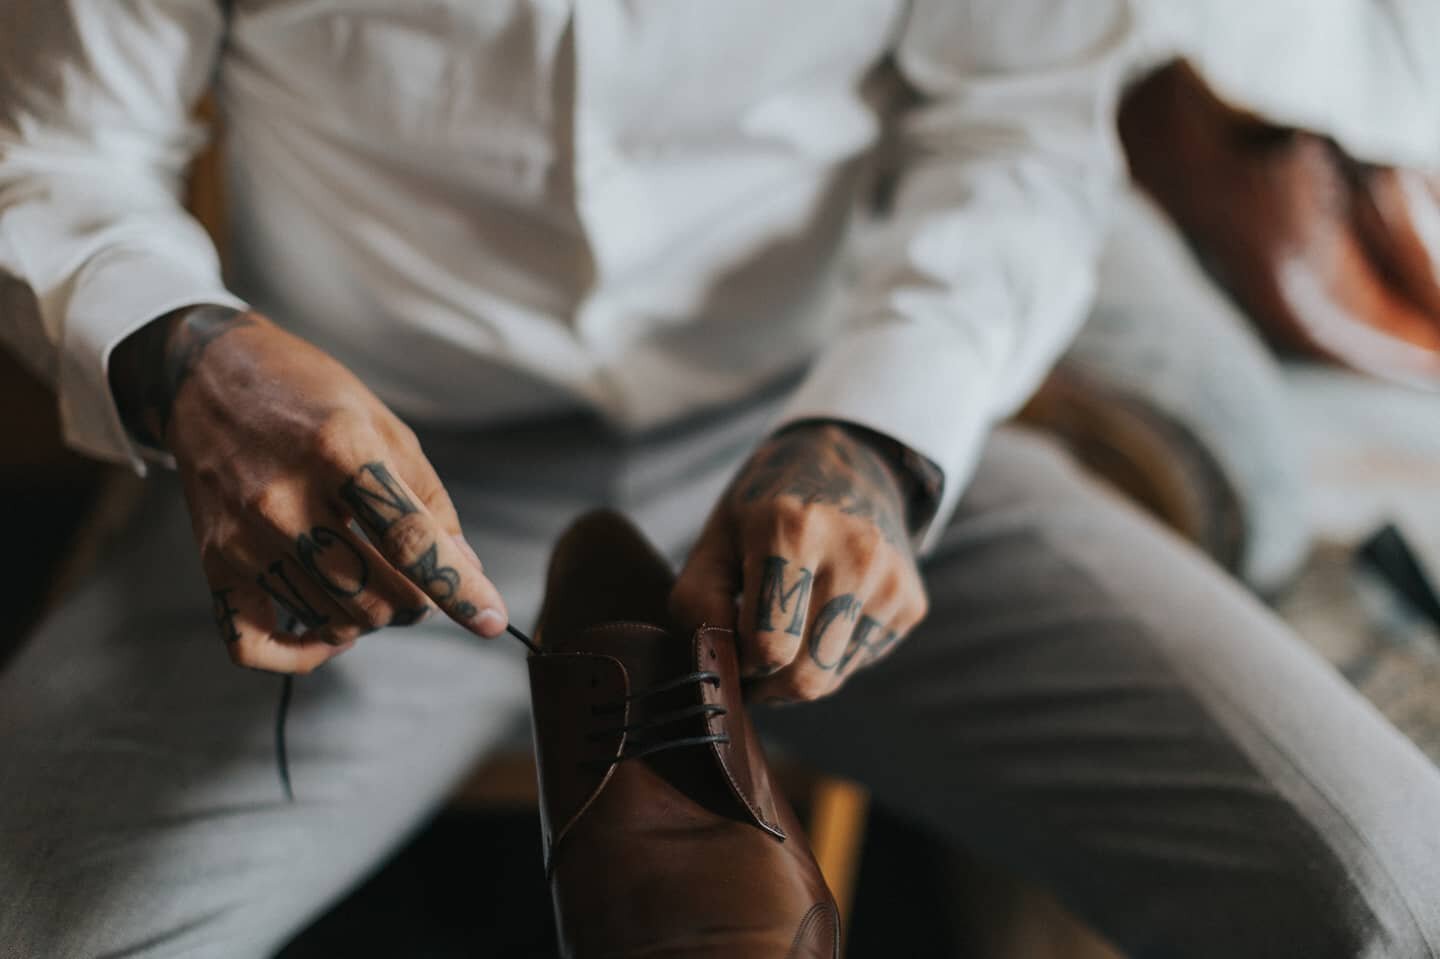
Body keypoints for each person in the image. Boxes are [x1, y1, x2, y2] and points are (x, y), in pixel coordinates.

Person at [2, 2, 1438, 956]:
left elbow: (1010, 137)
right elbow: (58, 151)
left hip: (832, 435)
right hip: (350, 485)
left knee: (1380, 893)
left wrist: (875, 437)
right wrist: (201, 365)